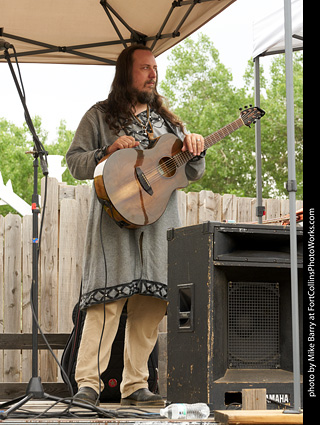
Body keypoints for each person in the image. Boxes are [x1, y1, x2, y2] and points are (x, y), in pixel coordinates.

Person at [66, 44, 206, 407]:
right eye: (145, 67)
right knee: (106, 302)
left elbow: (189, 172)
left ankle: (135, 384)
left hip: (159, 224)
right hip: (114, 221)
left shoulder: (171, 124)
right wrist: (107, 151)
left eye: (155, 68)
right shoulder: (99, 116)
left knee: (151, 303)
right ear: (126, 72)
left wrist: (195, 149)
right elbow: (75, 162)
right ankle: (88, 386)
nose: (152, 74)